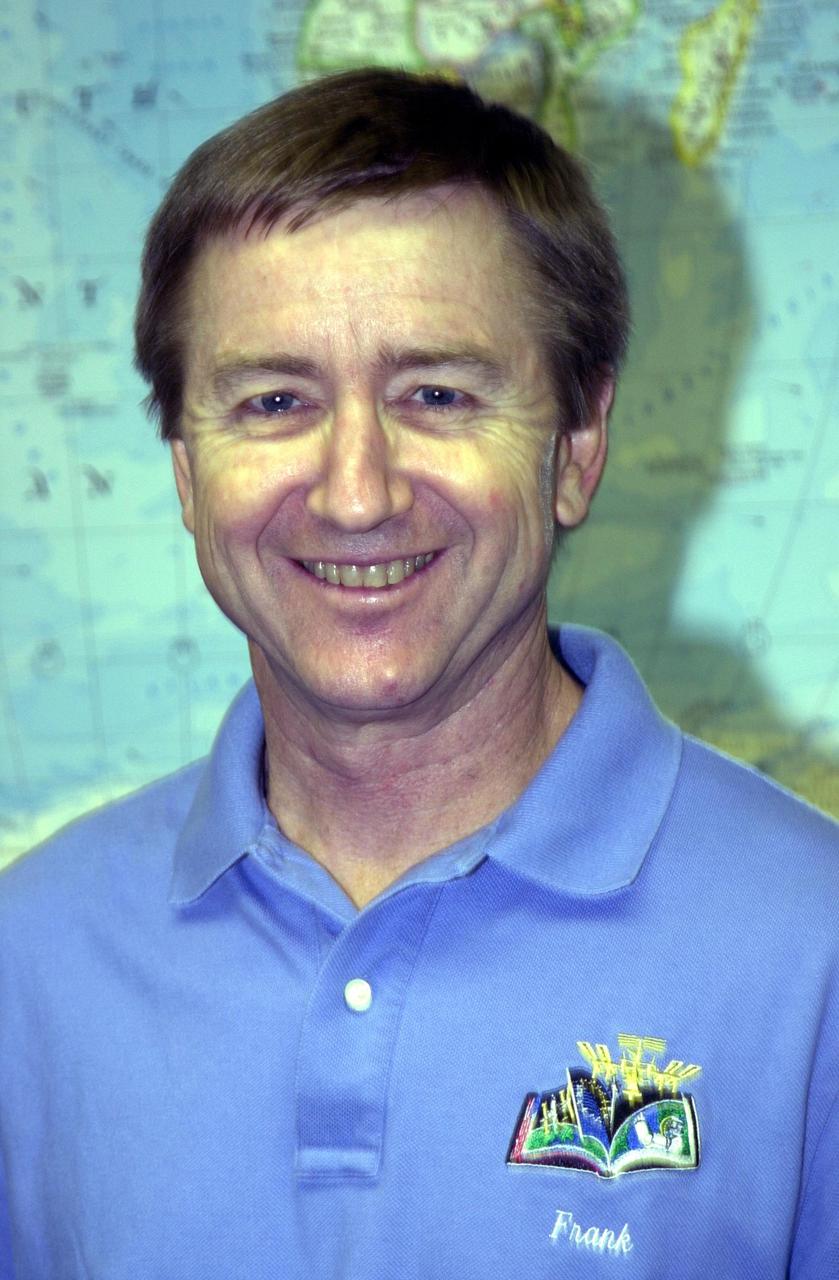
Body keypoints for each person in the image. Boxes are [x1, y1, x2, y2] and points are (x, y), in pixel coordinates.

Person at [0, 67, 836, 1280]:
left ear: (575, 448)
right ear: (185, 472)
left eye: (435, 394)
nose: (355, 492)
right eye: (274, 399)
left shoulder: (813, 949)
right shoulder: (30, 960)